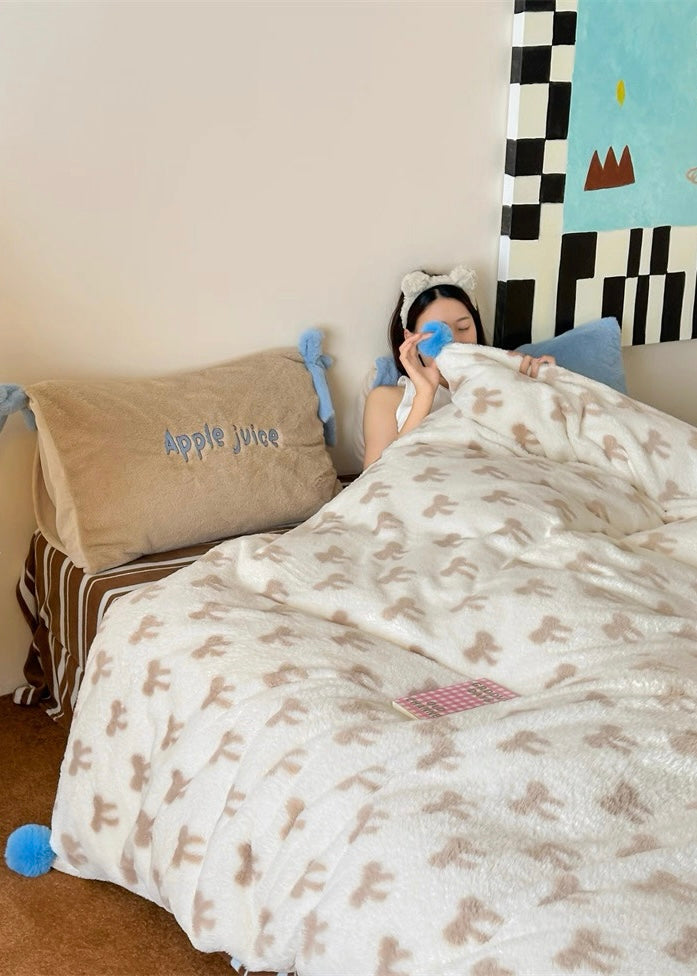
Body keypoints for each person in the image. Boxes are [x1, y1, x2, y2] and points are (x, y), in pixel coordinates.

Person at [362, 266, 554, 469]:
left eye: (464, 327)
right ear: (410, 339)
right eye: (437, 332)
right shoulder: (386, 399)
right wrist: (424, 395)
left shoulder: (505, 377)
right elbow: (374, 476)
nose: (454, 340)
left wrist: (543, 383)